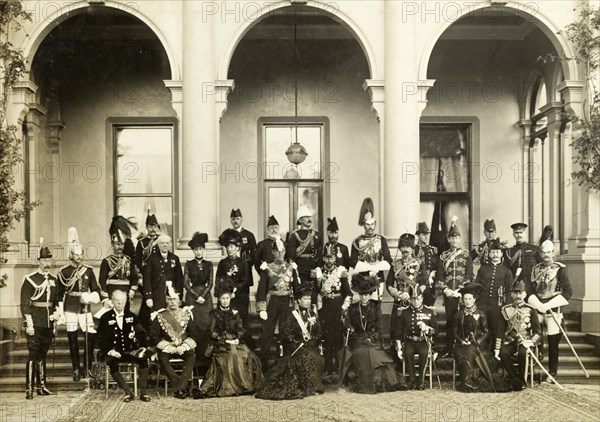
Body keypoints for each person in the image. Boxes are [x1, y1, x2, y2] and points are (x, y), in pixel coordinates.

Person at [256, 284, 324, 400]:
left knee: (316, 357)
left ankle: (313, 386)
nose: (307, 301)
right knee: (306, 357)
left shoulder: (313, 315)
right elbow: (286, 335)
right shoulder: (291, 316)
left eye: (309, 299)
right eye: (305, 299)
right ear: (298, 300)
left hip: (309, 347)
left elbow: (319, 333)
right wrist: (298, 345)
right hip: (295, 349)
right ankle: (306, 387)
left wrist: (312, 342)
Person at [197, 281, 263, 398]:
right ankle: (231, 388)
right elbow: (212, 333)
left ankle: (246, 386)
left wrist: (237, 338)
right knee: (228, 357)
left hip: (236, 342)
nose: (225, 301)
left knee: (248, 354)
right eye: (223, 298)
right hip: (220, 344)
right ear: (219, 299)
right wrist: (225, 340)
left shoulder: (235, 312)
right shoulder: (214, 313)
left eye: (227, 298)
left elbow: (241, 328)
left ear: (230, 299)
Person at [341, 272, 399, 393]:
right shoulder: (353, 308)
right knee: (362, 353)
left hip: (371, 339)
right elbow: (348, 323)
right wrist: (349, 326)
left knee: (374, 354)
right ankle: (364, 384)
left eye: (366, 295)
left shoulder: (375, 307)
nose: (364, 297)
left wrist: (372, 338)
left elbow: (380, 327)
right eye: (361, 295)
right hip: (357, 339)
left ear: (370, 294)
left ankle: (377, 383)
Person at [57, 227, 101, 381]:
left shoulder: (88, 270)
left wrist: (89, 296)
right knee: (72, 338)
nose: (80, 256)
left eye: (81, 253)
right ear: (71, 255)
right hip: (70, 307)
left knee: (90, 337)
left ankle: (87, 367)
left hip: (85, 307)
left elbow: (96, 290)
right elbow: (59, 294)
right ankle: (76, 368)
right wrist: (60, 313)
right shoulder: (64, 271)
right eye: (76, 254)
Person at [20, 240, 61, 399]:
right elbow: (25, 303)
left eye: (49, 260)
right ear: (38, 261)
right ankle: (29, 389)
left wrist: (57, 314)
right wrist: (28, 323)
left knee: (43, 354)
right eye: (44, 260)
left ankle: (41, 386)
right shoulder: (30, 279)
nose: (46, 262)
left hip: (48, 322)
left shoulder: (53, 279)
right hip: (35, 322)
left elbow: (56, 301)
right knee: (33, 354)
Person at [528, 238, 573, 382]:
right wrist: (537, 305)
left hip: (553, 309)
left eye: (549, 252)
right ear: (540, 253)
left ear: (554, 253)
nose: (546, 255)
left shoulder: (561, 269)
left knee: (553, 342)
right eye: (543, 252)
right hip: (537, 309)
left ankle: (552, 372)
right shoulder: (535, 270)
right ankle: (532, 370)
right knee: (533, 337)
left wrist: (549, 305)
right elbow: (529, 291)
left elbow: (568, 292)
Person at [97, 289, 151, 402]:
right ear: (112, 301)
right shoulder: (105, 318)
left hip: (130, 351)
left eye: (122, 302)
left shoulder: (131, 316)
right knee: (111, 362)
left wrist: (142, 347)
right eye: (117, 302)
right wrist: (110, 350)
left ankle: (144, 393)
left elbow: (141, 333)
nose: (120, 304)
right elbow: (102, 339)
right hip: (114, 351)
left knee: (144, 360)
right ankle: (128, 392)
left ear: (126, 301)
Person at [256, 237, 299, 369]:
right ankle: (264, 367)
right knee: (267, 334)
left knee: (286, 332)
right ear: (273, 252)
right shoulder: (267, 268)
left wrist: (297, 305)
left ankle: (286, 365)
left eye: (282, 251)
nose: (280, 254)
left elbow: (297, 289)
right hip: (272, 302)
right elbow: (261, 289)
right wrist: (262, 308)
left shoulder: (291, 268)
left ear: (285, 252)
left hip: (287, 301)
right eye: (277, 251)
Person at [149, 282, 197, 399]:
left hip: (182, 346)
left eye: (174, 299)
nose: (172, 302)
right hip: (167, 347)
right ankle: (182, 387)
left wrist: (184, 346)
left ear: (179, 300)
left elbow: (194, 334)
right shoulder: (160, 315)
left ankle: (179, 388)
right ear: (166, 300)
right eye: (169, 299)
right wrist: (168, 347)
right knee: (162, 358)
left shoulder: (186, 314)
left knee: (191, 356)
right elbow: (153, 336)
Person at [386, 232, 428, 364]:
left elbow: (425, 283)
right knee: (396, 332)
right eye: (403, 247)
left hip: (414, 302)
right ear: (399, 248)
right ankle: (398, 364)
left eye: (408, 247)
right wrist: (398, 294)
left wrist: (413, 294)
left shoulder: (419, 263)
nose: (405, 250)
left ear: (412, 248)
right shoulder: (395, 265)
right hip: (399, 303)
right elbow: (388, 284)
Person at [436, 217, 473, 357]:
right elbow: (440, 277)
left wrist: (461, 290)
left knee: (464, 320)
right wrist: (446, 290)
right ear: (448, 239)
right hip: (449, 294)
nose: (454, 240)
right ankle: (449, 348)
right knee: (450, 321)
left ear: (460, 238)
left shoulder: (466, 254)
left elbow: (469, 274)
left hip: (463, 295)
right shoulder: (443, 256)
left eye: (456, 237)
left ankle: (463, 346)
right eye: (451, 238)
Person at [496, 280, 541, 391]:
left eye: (520, 293)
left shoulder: (532, 310)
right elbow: (500, 331)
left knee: (523, 353)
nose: (518, 296)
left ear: (525, 294)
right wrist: (497, 348)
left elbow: (537, 332)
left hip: (525, 341)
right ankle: (515, 379)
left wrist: (530, 341)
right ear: (511, 294)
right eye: (515, 293)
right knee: (503, 352)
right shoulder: (506, 310)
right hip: (511, 340)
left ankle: (522, 380)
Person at [316, 244, 351, 376]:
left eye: (331, 257)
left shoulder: (341, 272)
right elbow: (315, 293)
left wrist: (343, 308)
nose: (329, 261)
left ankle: (338, 367)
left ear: (335, 258)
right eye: (326, 257)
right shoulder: (318, 273)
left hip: (337, 308)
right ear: (323, 258)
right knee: (326, 337)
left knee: (337, 339)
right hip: (324, 309)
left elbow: (348, 293)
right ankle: (327, 366)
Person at [395, 286, 438, 390]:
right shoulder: (405, 312)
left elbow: (436, 331)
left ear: (422, 298)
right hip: (410, 341)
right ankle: (412, 380)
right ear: (410, 299)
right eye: (413, 299)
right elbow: (399, 331)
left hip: (423, 341)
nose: (415, 301)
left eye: (418, 298)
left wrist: (427, 329)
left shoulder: (429, 312)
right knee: (407, 353)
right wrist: (399, 347)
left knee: (424, 353)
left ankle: (421, 381)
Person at [474, 239, 513, 352]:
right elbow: (477, 287)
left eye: (497, 252)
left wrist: (505, 307)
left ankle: (496, 356)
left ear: (501, 254)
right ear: (489, 254)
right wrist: (477, 304)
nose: (495, 255)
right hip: (483, 305)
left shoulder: (506, 271)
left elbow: (509, 290)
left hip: (498, 306)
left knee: (497, 331)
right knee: (483, 329)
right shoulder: (483, 269)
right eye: (493, 252)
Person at [350, 198, 392, 300]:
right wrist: (369, 268)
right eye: (367, 224)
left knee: (377, 305)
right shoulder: (357, 241)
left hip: (378, 277)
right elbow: (352, 261)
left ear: (375, 224)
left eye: (372, 224)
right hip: (362, 278)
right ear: (364, 225)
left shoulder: (381, 240)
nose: (370, 227)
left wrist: (377, 267)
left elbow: (388, 259)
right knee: (364, 303)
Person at [452, 283, 489, 392]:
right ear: (462, 300)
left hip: (477, 345)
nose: (467, 301)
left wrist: (477, 341)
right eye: (465, 299)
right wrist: (461, 341)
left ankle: (468, 381)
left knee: (469, 351)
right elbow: (454, 332)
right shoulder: (459, 314)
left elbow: (486, 332)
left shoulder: (481, 313)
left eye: (469, 299)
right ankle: (466, 381)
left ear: (474, 300)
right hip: (461, 344)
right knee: (460, 353)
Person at [99, 217, 139, 313]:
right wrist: (105, 298)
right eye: (117, 244)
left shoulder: (128, 261)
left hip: (126, 292)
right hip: (111, 292)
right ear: (112, 244)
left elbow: (134, 278)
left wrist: (132, 290)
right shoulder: (106, 261)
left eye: (122, 244)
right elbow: (102, 281)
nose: (119, 247)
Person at [183, 232, 213, 357]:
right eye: (196, 249)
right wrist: (196, 296)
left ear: (203, 249)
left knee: (206, 324)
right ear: (193, 251)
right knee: (193, 324)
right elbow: (185, 283)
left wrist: (203, 296)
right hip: (192, 296)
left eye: (200, 249)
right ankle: (193, 354)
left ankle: (204, 354)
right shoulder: (189, 264)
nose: (198, 252)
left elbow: (211, 283)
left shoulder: (209, 264)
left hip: (205, 297)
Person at [216, 229, 251, 331]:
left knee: (241, 319)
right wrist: (224, 291)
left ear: (238, 248)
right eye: (228, 247)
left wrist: (235, 289)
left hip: (240, 295)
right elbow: (219, 279)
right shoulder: (222, 263)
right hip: (226, 295)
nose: (229, 249)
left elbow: (246, 280)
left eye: (232, 247)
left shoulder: (244, 263)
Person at [286, 206, 322, 305]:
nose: (309, 219)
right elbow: (291, 256)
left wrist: (319, 268)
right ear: (300, 220)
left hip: (313, 270)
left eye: (310, 217)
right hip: (300, 271)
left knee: (313, 297)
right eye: (306, 217)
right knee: (301, 296)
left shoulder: (316, 235)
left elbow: (319, 254)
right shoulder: (294, 235)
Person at [143, 234, 184, 312]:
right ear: (158, 244)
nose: (165, 245)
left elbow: (179, 278)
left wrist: (179, 296)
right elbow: (147, 278)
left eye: (167, 243)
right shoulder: (152, 258)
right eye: (162, 243)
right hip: (157, 295)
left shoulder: (175, 258)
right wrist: (149, 297)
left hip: (172, 295)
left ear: (171, 245)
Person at [135, 209, 161, 329]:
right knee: (148, 302)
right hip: (145, 278)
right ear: (146, 227)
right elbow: (137, 262)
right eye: (150, 226)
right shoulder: (141, 243)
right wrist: (140, 277)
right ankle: (143, 326)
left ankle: (147, 327)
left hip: (158, 278)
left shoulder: (161, 241)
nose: (153, 229)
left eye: (155, 226)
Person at [504, 223, 542, 289]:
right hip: (516, 287)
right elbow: (505, 270)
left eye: (521, 232)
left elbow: (542, 266)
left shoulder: (534, 249)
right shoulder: (509, 252)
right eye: (516, 233)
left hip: (532, 286)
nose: (519, 235)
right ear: (513, 234)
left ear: (525, 233)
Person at [413, 222, 438, 306]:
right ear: (418, 235)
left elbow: (436, 265)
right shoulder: (414, 249)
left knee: (429, 304)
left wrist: (432, 274)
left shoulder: (432, 250)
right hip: (418, 281)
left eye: (427, 234)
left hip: (430, 281)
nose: (426, 236)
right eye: (423, 234)